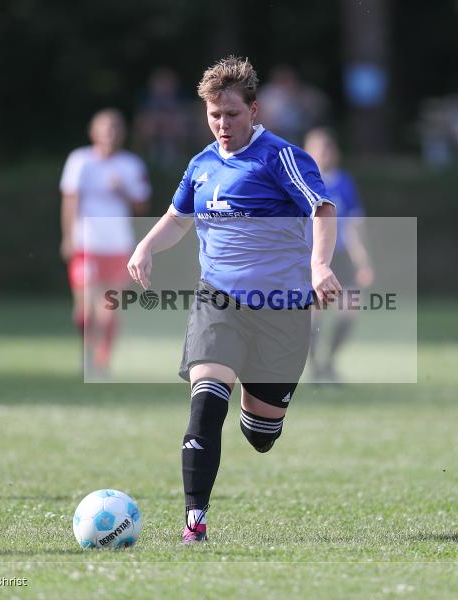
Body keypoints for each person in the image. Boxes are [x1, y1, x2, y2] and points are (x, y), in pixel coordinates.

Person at [128, 56, 340, 544]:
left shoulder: (280, 157)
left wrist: (320, 266)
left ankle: (259, 410)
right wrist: (146, 245)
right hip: (217, 301)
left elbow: (322, 209)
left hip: (282, 311)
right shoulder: (201, 165)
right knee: (206, 406)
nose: (222, 125)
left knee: (260, 436)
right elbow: (178, 218)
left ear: (255, 111)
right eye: (214, 115)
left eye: (232, 115)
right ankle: (194, 525)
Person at [60, 109, 151, 376]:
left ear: (121, 134)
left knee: (109, 311)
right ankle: (87, 351)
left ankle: (102, 361)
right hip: (86, 245)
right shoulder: (79, 160)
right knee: (85, 311)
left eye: (115, 128)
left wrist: (122, 189)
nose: (110, 133)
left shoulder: (131, 165)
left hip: (119, 246)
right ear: (93, 132)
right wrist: (67, 237)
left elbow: (142, 205)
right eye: (104, 127)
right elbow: (69, 201)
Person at [303, 128, 374, 382]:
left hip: (341, 256)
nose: (324, 153)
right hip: (312, 259)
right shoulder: (302, 182)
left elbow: (353, 225)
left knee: (350, 309)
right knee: (314, 313)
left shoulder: (343, 182)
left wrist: (363, 262)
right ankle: (313, 367)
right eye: (318, 148)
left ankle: (329, 361)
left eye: (328, 148)